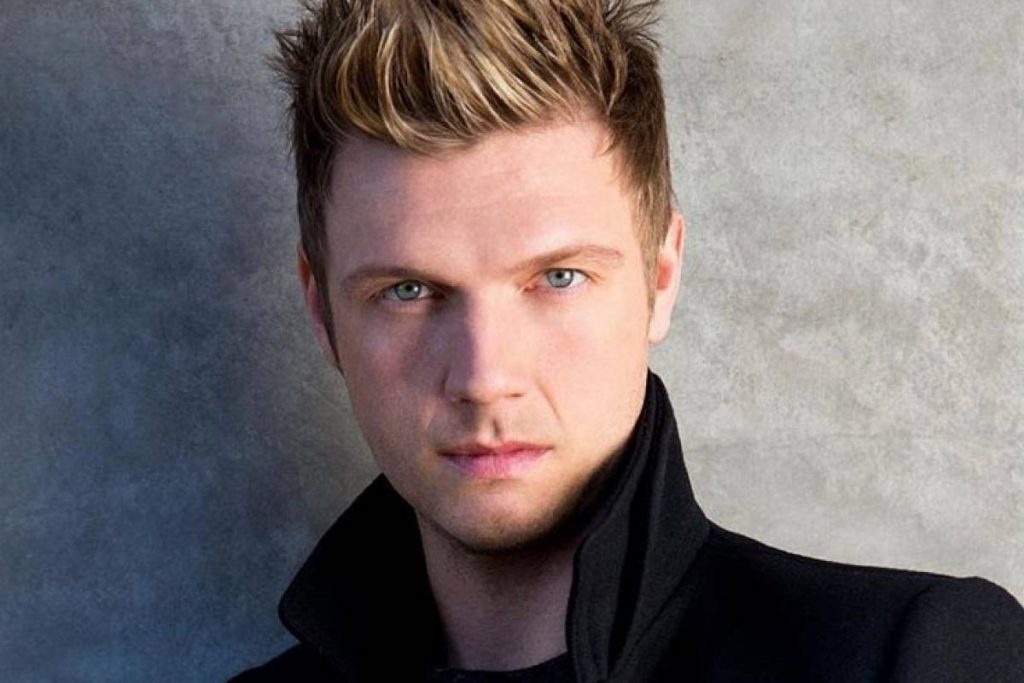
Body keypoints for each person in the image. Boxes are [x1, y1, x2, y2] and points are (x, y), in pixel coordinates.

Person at [232, 1, 1024, 680]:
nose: (485, 376)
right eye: (408, 291)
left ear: (661, 277)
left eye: (559, 277)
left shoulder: (905, 657)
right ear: (320, 310)